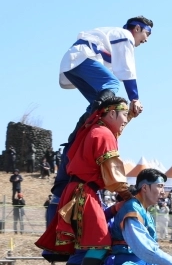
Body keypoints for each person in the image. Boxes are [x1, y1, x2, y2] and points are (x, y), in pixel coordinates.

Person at [48, 17, 153, 222]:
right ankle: (92, 118)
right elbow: (128, 71)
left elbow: (114, 109)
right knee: (111, 86)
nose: (145, 40)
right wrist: (134, 98)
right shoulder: (124, 36)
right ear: (138, 29)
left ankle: (89, 120)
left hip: (76, 62)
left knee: (100, 101)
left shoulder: (111, 40)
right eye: (146, 34)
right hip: (81, 58)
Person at [37, 95, 132, 265]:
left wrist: (132, 113)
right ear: (111, 113)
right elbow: (113, 173)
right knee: (101, 242)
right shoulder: (103, 133)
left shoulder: (94, 129)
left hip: (78, 190)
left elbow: (118, 128)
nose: (126, 119)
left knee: (83, 248)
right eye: (124, 114)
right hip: (85, 192)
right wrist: (127, 194)